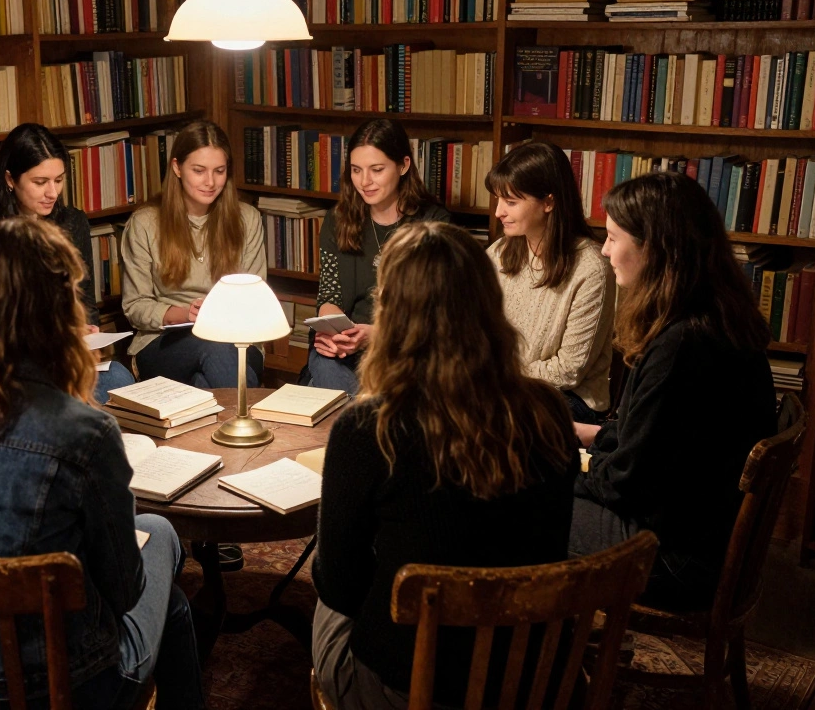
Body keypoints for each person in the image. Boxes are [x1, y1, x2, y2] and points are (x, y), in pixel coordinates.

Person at [0, 216, 204, 710]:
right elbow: (124, 589)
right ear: (58, 312)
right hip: (54, 687)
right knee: (160, 535)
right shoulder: (84, 432)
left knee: (173, 604)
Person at [312, 221, 579, 708]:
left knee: (324, 578)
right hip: (527, 679)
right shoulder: (549, 411)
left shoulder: (366, 429)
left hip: (407, 688)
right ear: (488, 303)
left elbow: (340, 587)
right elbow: (552, 549)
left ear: (391, 313)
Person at [571, 172, 775, 612]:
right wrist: (589, 437)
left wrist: (563, 468)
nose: (604, 250)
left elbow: (629, 484)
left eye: (612, 238)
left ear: (655, 247)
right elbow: (650, 440)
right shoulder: (714, 315)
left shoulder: (683, 344)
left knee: (524, 505)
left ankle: (543, 663)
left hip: (680, 558)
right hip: (695, 529)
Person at [0, 123, 135, 401]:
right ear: (10, 179)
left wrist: (84, 329)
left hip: (67, 357)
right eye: (40, 182)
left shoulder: (72, 222)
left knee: (120, 378)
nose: (52, 192)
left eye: (59, 180)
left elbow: (83, 298)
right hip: (13, 366)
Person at [121, 120, 267, 388]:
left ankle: (228, 425)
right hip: (164, 341)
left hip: (236, 340)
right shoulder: (145, 223)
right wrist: (183, 313)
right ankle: (249, 422)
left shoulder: (248, 219)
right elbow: (135, 306)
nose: (210, 182)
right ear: (177, 168)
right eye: (199, 171)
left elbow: (256, 299)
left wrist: (224, 315)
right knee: (212, 351)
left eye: (219, 171)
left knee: (205, 376)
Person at [309, 118, 449, 396]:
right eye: (356, 170)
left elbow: (437, 315)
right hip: (346, 349)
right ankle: (372, 426)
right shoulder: (338, 220)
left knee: (341, 391)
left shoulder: (433, 224)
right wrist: (333, 333)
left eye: (377, 170)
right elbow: (329, 295)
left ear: (403, 165)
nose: (364, 182)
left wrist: (377, 335)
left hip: (404, 349)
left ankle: (363, 424)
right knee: (324, 365)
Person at [485, 141, 616, 424]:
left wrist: (497, 373)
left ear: (548, 202)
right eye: (497, 200)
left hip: (570, 400)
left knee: (486, 418)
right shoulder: (498, 253)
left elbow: (568, 371)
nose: (498, 213)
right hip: (501, 384)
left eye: (511, 201)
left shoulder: (591, 268)